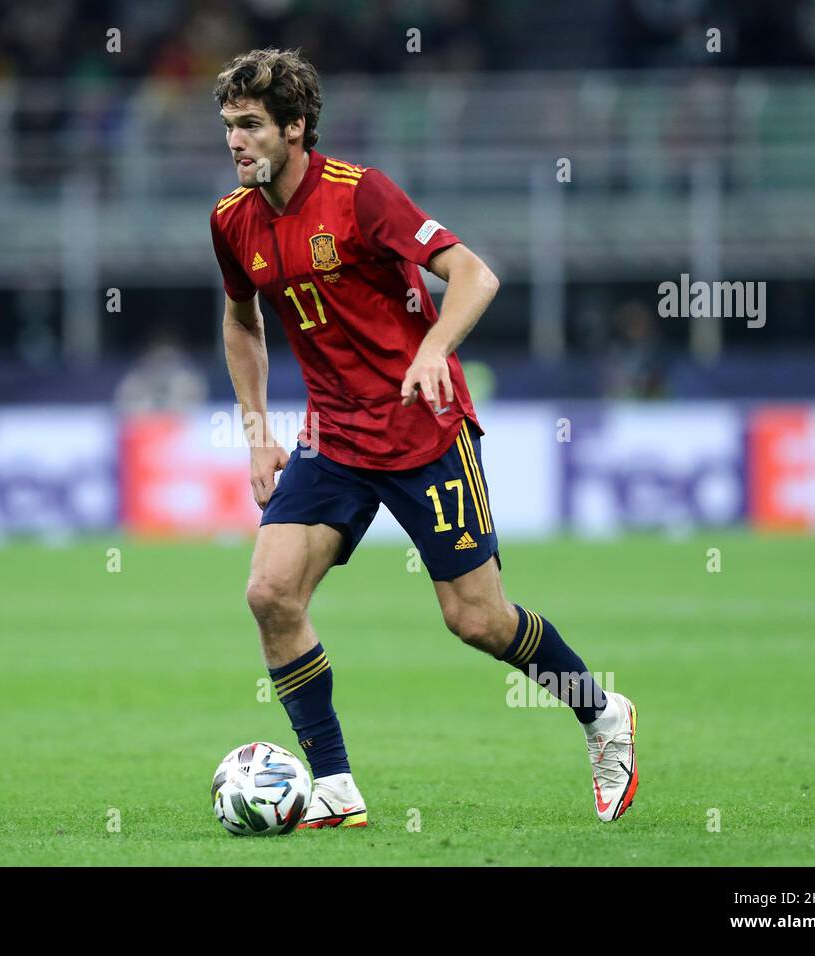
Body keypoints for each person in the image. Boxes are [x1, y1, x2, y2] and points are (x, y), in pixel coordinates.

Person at [209, 48, 638, 828]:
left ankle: (601, 711)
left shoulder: (360, 194)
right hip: (333, 436)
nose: (236, 142)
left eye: (252, 126)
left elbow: (473, 273)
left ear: (296, 127)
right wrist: (255, 432)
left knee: (477, 619)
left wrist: (434, 346)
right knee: (270, 593)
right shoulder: (232, 221)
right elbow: (242, 323)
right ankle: (334, 788)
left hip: (422, 427)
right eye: (230, 126)